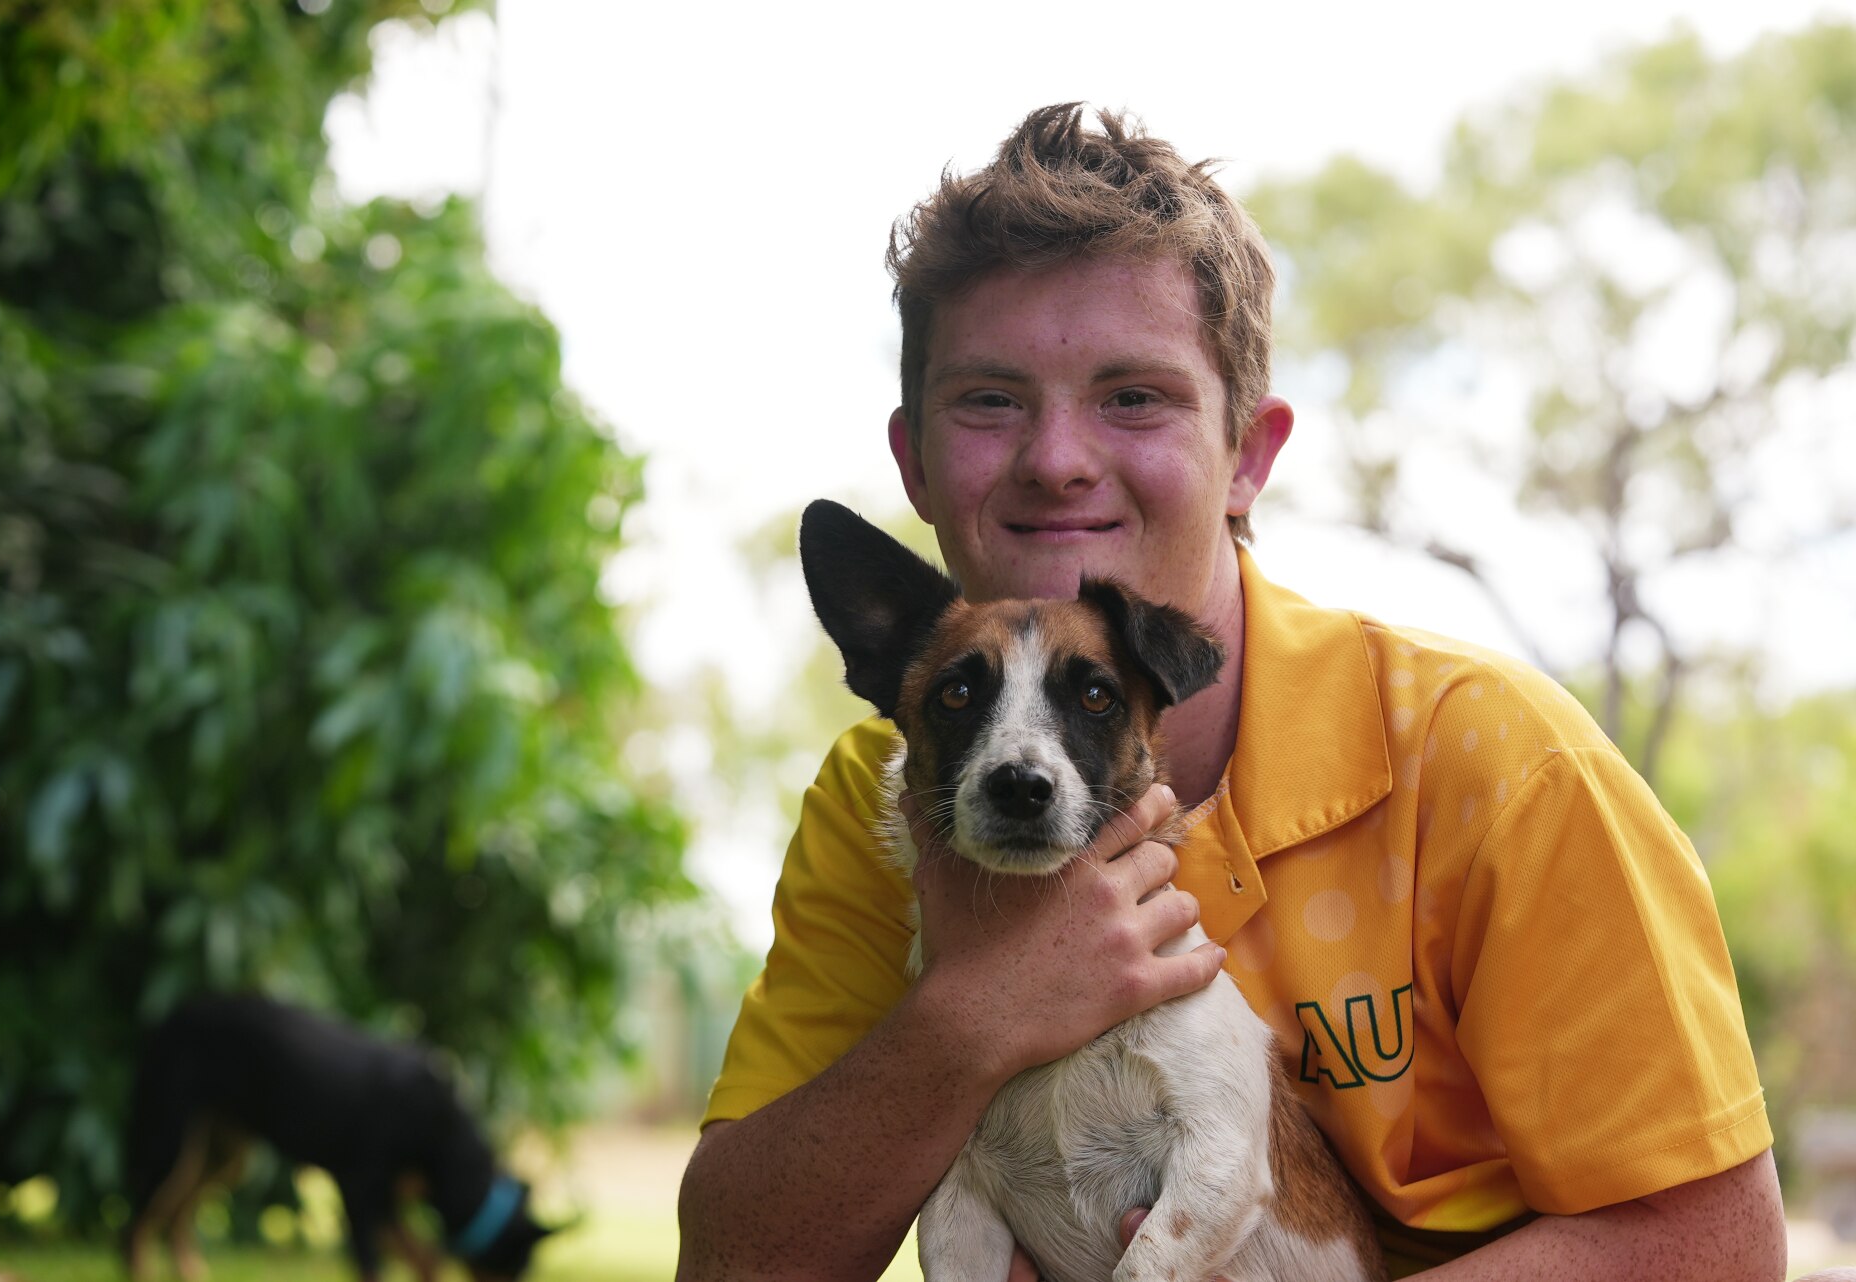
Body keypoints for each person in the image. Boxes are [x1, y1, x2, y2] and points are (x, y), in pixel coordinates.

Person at [675, 103, 1784, 1281]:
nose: (1058, 458)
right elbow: (738, 1263)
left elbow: (1714, 1245)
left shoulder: (1496, 766)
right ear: (915, 463)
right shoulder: (894, 796)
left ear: (1249, 453)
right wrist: (972, 1010)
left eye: (1134, 398)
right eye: (991, 400)